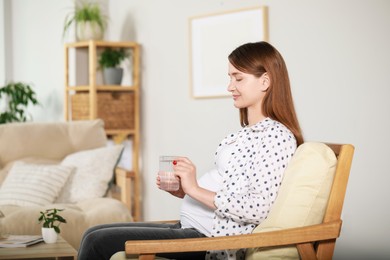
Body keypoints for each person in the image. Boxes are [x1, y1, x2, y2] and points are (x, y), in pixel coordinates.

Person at [77, 41, 303, 260]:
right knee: (92, 233)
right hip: (193, 227)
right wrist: (184, 190)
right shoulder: (247, 133)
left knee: (97, 242)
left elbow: (258, 208)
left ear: (265, 82)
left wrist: (194, 189)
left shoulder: (276, 137)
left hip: (208, 239)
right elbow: (233, 189)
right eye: (230, 77)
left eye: (238, 78)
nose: (230, 86)